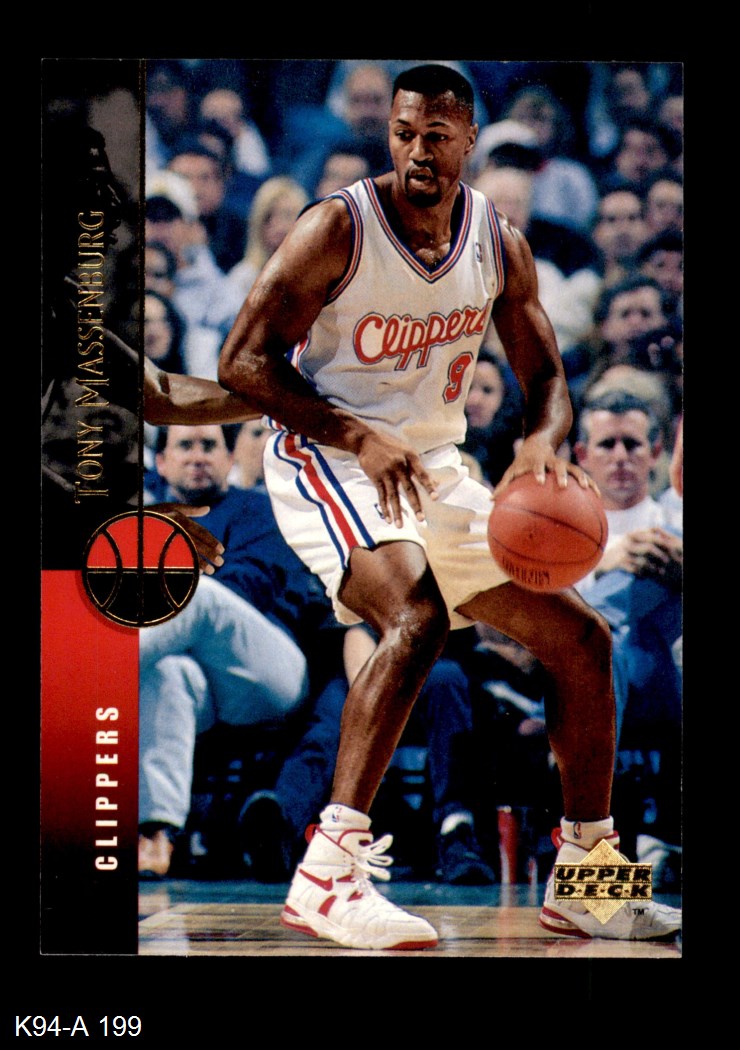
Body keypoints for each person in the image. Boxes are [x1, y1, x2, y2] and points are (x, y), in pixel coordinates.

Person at [218, 64, 680, 948]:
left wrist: (540, 444)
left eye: (436, 136)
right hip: (326, 455)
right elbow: (242, 362)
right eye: (404, 134)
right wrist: (357, 436)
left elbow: (548, 381)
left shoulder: (498, 243)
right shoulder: (337, 227)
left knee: (583, 640)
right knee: (418, 615)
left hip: (433, 464)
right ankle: (327, 876)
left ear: (469, 139)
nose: (418, 152)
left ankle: (587, 882)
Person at [138, 423, 313, 877]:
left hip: (262, 672)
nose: (198, 456)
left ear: (230, 458)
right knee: (166, 675)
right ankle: (156, 834)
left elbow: (250, 586)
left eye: (209, 446)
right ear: (161, 462)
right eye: (185, 445)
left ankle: (88, 675)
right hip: (194, 678)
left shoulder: (258, 508)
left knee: (198, 596)